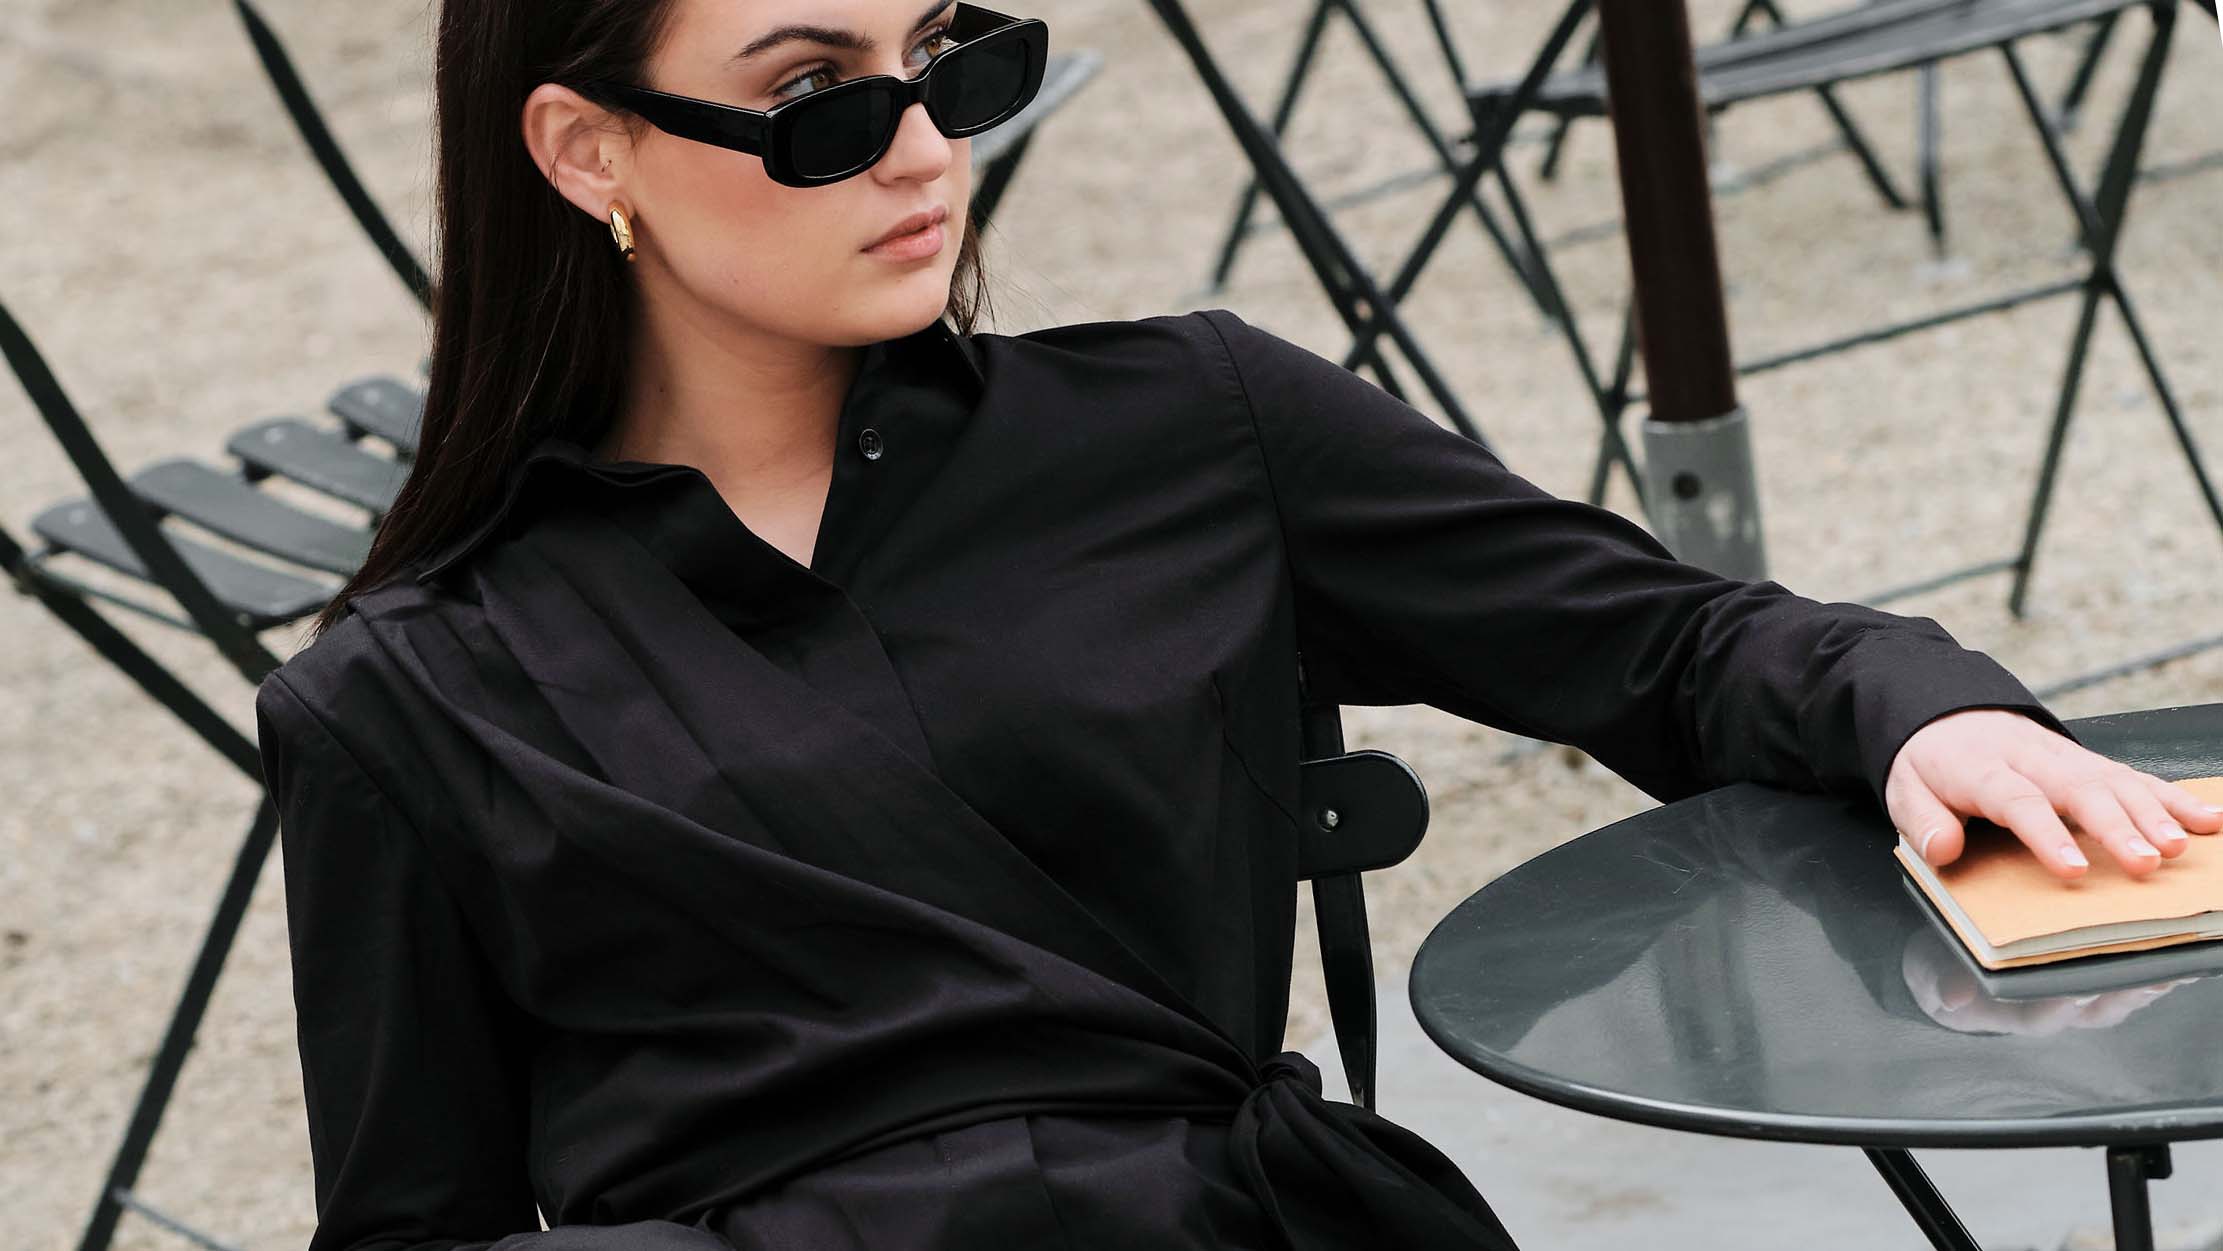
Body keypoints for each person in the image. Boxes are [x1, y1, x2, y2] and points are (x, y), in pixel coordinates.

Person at [252, 1, 2223, 1248]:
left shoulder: (1188, 425)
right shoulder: (411, 695)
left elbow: (1664, 641)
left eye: (951, 63)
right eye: (815, 103)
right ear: (582, 146)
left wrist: (1913, 714)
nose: (926, 149)